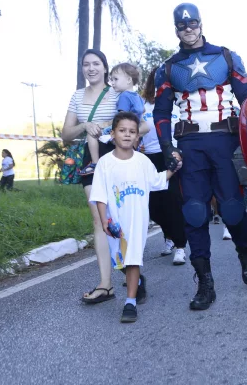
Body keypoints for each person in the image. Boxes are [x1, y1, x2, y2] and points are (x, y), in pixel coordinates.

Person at [153, 3, 247, 311]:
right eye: (182, 26)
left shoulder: (226, 57)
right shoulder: (169, 68)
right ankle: (205, 283)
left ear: (201, 24)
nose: (188, 29)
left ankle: (244, 252)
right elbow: (161, 113)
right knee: (195, 212)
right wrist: (167, 146)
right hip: (190, 143)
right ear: (176, 30)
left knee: (232, 208)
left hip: (225, 140)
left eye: (193, 23)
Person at [90, 112, 179, 322]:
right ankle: (138, 283)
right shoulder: (105, 163)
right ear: (113, 134)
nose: (127, 135)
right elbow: (100, 194)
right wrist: (104, 219)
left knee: (133, 259)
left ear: (138, 137)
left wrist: (174, 168)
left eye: (132, 132)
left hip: (137, 220)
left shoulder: (142, 161)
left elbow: (157, 181)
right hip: (115, 222)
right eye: (122, 131)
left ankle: (129, 303)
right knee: (119, 261)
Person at [62, 49, 123, 304]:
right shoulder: (77, 96)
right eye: (86, 64)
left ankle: (134, 275)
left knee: (121, 216)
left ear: (105, 67)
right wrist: (84, 125)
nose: (91, 68)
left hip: (118, 153)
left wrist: (108, 124)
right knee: (99, 219)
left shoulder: (118, 93)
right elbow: (66, 134)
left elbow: (133, 122)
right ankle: (105, 285)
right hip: (90, 159)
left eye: (96, 63)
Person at [142, 67, 187, 265]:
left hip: (173, 156)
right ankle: (168, 236)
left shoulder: (180, 104)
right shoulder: (142, 106)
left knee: (173, 202)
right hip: (149, 157)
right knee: (153, 206)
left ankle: (180, 247)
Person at [80, 63, 144, 176]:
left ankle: (95, 163)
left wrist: (106, 127)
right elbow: (141, 114)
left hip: (121, 129)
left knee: (91, 133)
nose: (112, 83)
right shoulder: (138, 97)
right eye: (111, 79)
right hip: (134, 130)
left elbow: (121, 118)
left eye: (115, 79)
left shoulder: (124, 96)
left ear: (129, 80)